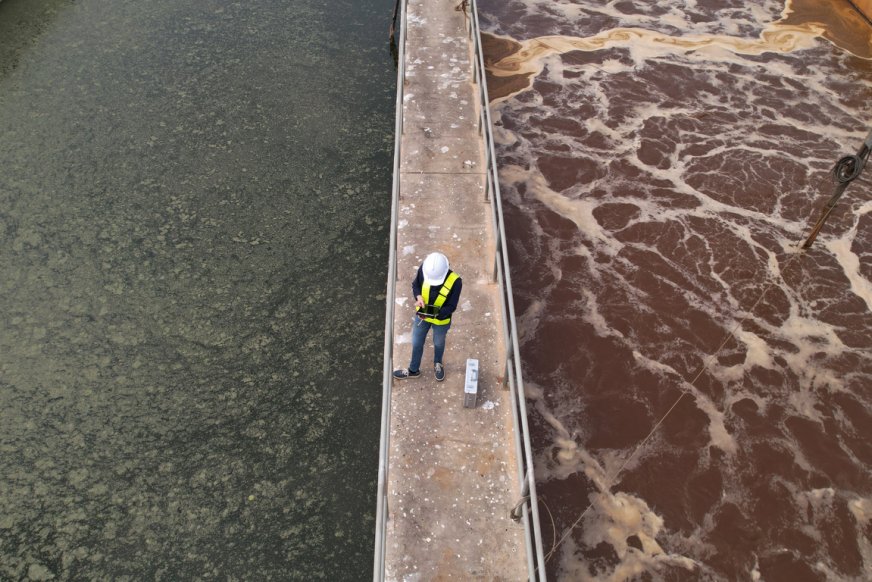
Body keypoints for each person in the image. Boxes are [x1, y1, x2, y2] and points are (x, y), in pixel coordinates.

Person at [393, 252, 462, 382]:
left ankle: (438, 363)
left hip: (441, 320)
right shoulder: (425, 269)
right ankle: (413, 370)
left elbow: (452, 306)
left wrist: (434, 312)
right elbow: (416, 285)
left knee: (438, 343)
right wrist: (418, 297)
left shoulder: (456, 281)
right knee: (417, 342)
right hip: (422, 316)